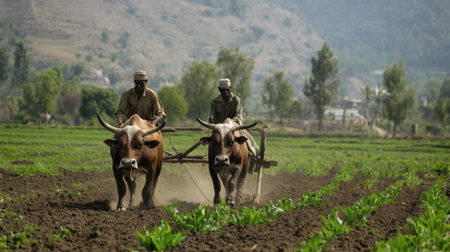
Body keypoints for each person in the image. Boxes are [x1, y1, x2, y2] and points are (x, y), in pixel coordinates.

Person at [209, 78, 259, 164]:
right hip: (219, 129)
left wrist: (229, 121)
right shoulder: (214, 102)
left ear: (230, 88)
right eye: (222, 90)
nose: (225, 92)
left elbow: (239, 116)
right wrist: (211, 118)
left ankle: (254, 152)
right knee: (212, 141)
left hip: (233, 127)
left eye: (227, 90)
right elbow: (212, 115)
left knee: (246, 137)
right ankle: (211, 157)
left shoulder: (236, 100)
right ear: (219, 90)